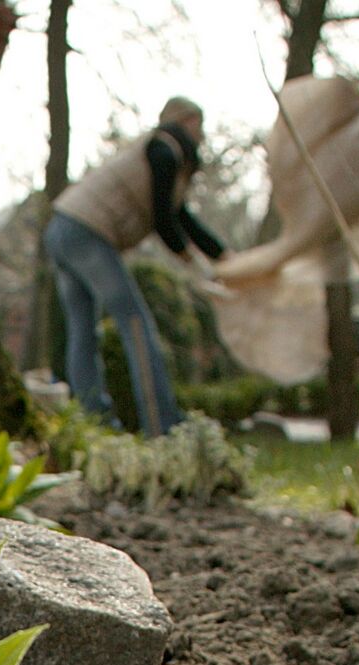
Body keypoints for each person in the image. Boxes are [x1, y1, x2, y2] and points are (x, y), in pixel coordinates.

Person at [44, 97, 226, 436]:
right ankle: (162, 424)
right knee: (135, 322)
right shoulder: (166, 150)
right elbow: (164, 218)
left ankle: (92, 421)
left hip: (62, 226)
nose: (201, 135)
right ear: (184, 120)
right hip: (88, 231)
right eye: (197, 124)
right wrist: (191, 261)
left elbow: (180, 215)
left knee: (83, 329)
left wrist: (222, 255)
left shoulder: (159, 153)